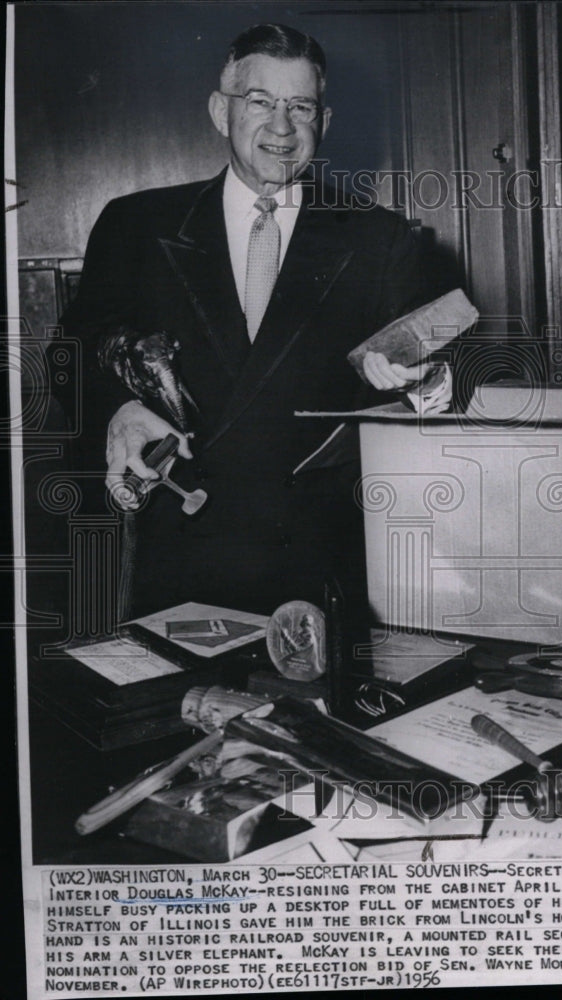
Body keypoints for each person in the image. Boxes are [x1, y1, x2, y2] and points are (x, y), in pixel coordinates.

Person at [59, 23, 447, 620]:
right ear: (221, 111)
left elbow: (428, 387)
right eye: (260, 102)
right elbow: (78, 350)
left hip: (320, 561)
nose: (282, 127)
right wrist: (119, 408)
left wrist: (425, 385)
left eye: (301, 106)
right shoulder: (137, 223)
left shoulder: (378, 238)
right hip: (177, 543)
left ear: (326, 121)